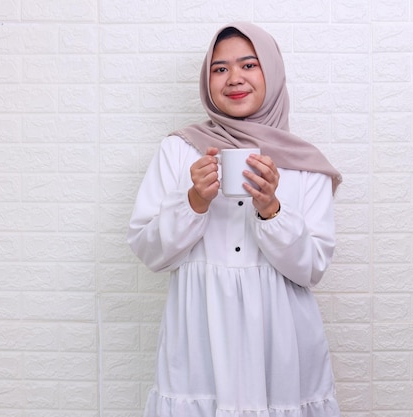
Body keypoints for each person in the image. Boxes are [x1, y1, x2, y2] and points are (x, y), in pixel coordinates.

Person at [127, 22, 342, 417]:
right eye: (220, 68)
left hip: (281, 343)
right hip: (200, 337)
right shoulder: (179, 150)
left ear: (272, 72)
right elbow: (149, 252)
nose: (234, 79)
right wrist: (194, 201)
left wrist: (271, 209)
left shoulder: (305, 164)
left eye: (248, 64)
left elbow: (312, 269)